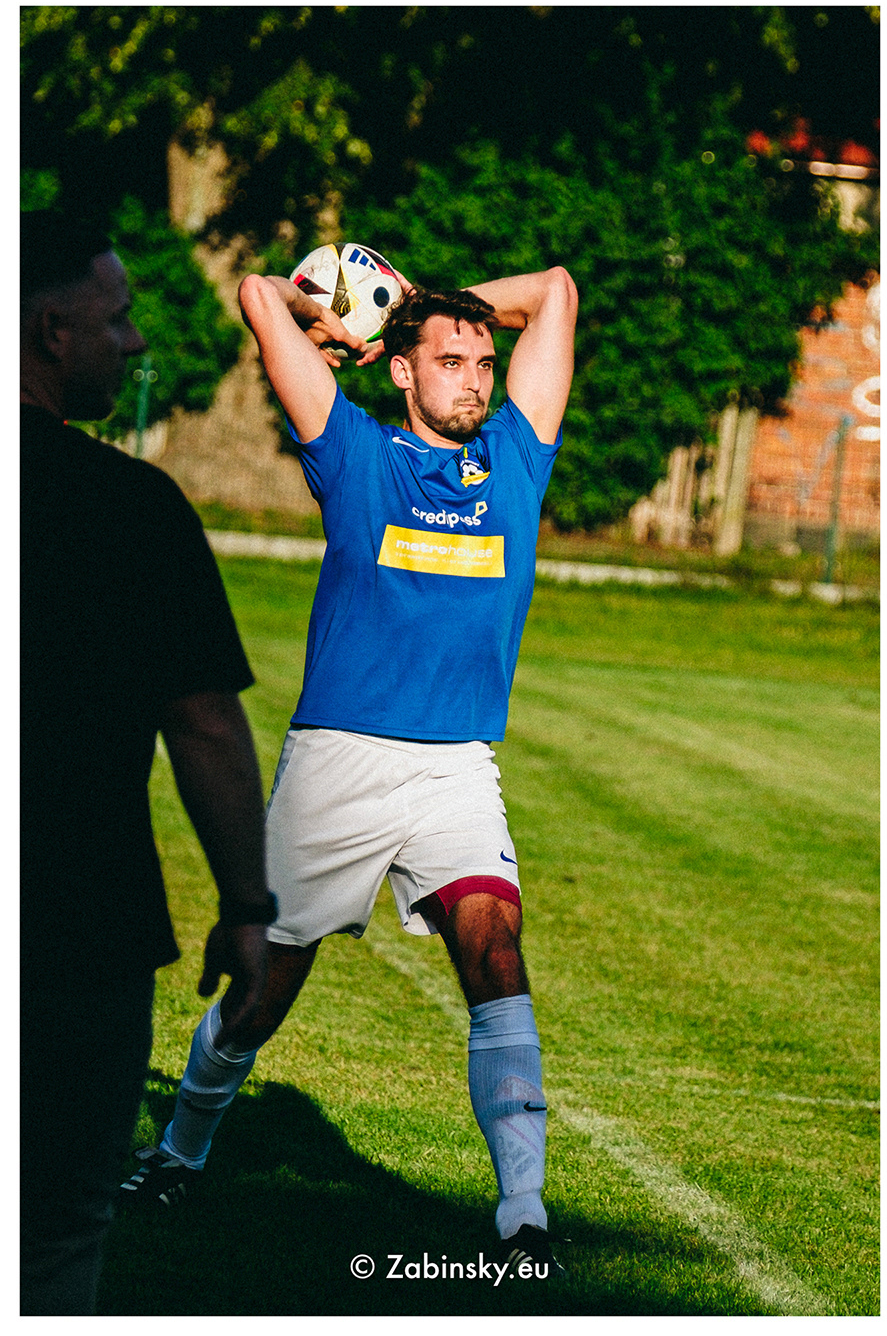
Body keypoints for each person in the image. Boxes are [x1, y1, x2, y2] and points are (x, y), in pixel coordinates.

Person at [126, 253, 578, 1275]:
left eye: (484, 362)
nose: (475, 378)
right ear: (402, 374)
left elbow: (554, 289)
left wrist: (425, 307)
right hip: (339, 763)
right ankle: (178, 1153)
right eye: (450, 362)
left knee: (496, 954)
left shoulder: (517, 456)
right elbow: (258, 295)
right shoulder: (354, 453)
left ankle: (524, 1216)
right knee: (264, 987)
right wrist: (348, 317)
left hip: (458, 768)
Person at [20, 209, 275, 1316]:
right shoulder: (129, 506)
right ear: (50, 331)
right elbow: (204, 723)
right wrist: (249, 907)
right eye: (116, 318)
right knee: (53, 1231)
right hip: (74, 929)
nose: (133, 343)